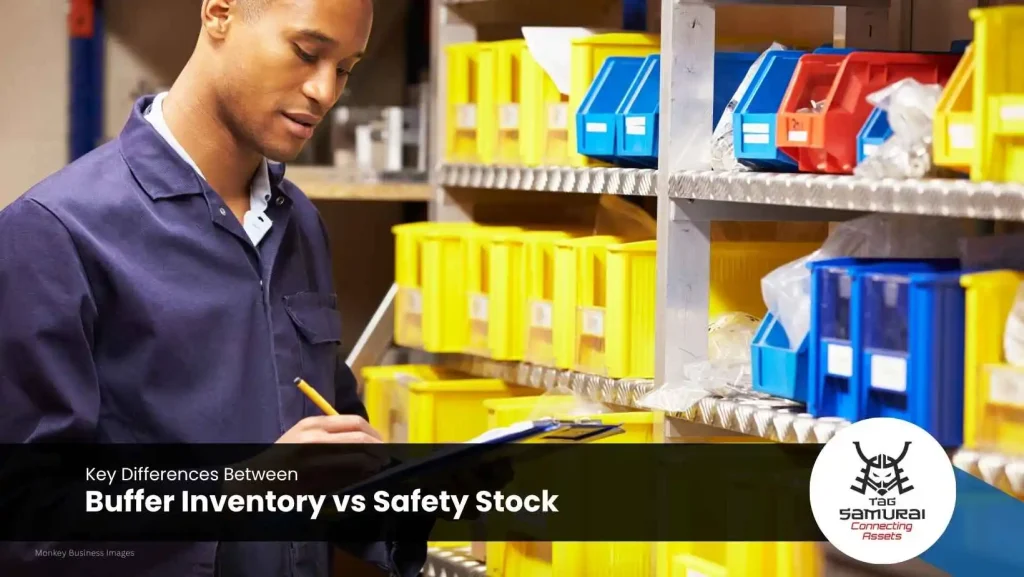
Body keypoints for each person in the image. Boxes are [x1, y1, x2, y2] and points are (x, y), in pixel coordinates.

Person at [0, 0, 429, 575]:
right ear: (219, 13)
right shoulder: (55, 233)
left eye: (346, 68)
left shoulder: (300, 223)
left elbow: (327, 463)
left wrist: (418, 497)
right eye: (307, 53)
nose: (325, 91)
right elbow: (30, 525)